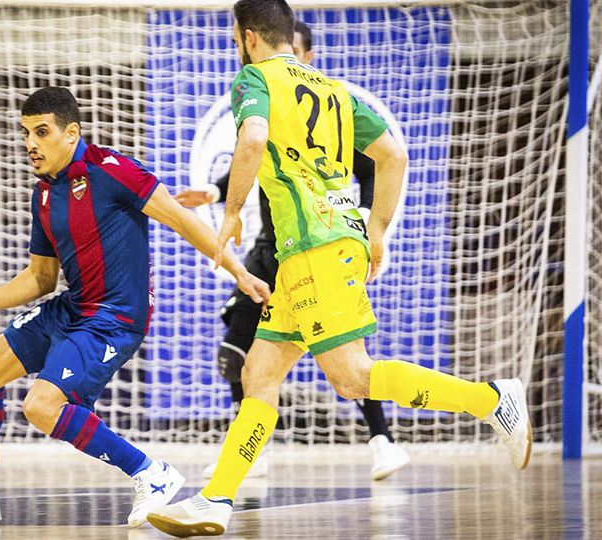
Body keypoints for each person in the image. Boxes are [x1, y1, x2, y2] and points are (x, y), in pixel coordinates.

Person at [148, 1, 531, 536]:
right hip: (315, 248)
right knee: (260, 374)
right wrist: (375, 228)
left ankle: (492, 400)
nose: (236, 47)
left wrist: (230, 212)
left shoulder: (253, 79)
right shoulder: (335, 89)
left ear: (249, 36)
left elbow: (253, 139)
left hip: (316, 248)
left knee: (352, 377)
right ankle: (216, 500)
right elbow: (393, 154)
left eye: (236, 38)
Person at [0, 87, 271, 528]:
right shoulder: (43, 193)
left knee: (41, 406)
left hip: (115, 317)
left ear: (71, 132)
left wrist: (239, 272)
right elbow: (40, 279)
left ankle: (150, 472)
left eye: (41, 132)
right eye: (26, 133)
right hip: (74, 307)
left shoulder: (112, 171)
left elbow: (182, 219)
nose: (30, 144)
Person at [175, 20, 409, 483]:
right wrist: (217, 194)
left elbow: (379, 162)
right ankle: (233, 474)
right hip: (274, 250)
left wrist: (369, 220)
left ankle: (390, 436)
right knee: (242, 358)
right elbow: (253, 154)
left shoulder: (314, 100)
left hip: (318, 242)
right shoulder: (275, 101)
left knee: (347, 368)